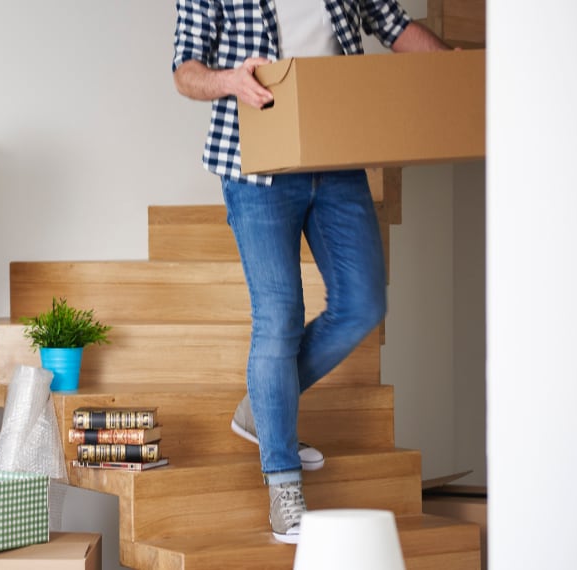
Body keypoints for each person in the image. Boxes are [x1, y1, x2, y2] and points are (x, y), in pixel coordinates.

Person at [172, 0, 451, 543]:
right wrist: (230, 80)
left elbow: (393, 26)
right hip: (254, 163)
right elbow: (186, 71)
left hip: (337, 154)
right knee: (279, 318)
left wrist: (458, 71)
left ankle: (262, 406)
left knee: (363, 303)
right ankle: (283, 484)